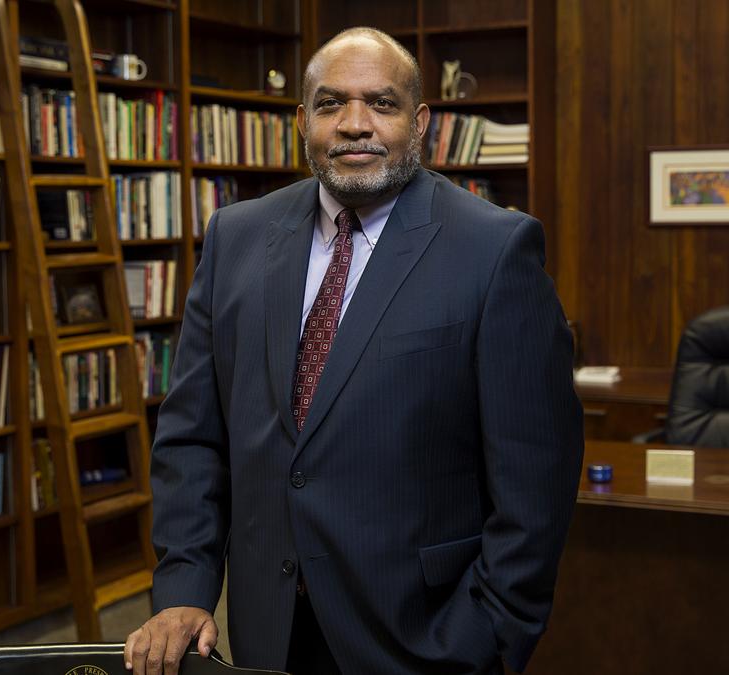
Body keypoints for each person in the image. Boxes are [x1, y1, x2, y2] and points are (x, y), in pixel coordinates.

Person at [124, 27, 583, 675]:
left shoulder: (494, 250)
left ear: (419, 121)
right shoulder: (237, 237)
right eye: (331, 103)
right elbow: (193, 436)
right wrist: (183, 589)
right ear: (302, 119)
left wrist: (488, 633)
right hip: (269, 628)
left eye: (383, 103)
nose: (355, 124)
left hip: (423, 636)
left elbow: (536, 480)